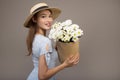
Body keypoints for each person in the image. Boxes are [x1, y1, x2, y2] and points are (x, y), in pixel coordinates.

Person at [24, 2, 80, 80]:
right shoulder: (44, 41)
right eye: (43, 17)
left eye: (50, 16)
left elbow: (44, 56)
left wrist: (56, 49)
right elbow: (42, 76)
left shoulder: (35, 37)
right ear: (34, 19)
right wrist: (64, 65)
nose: (49, 20)